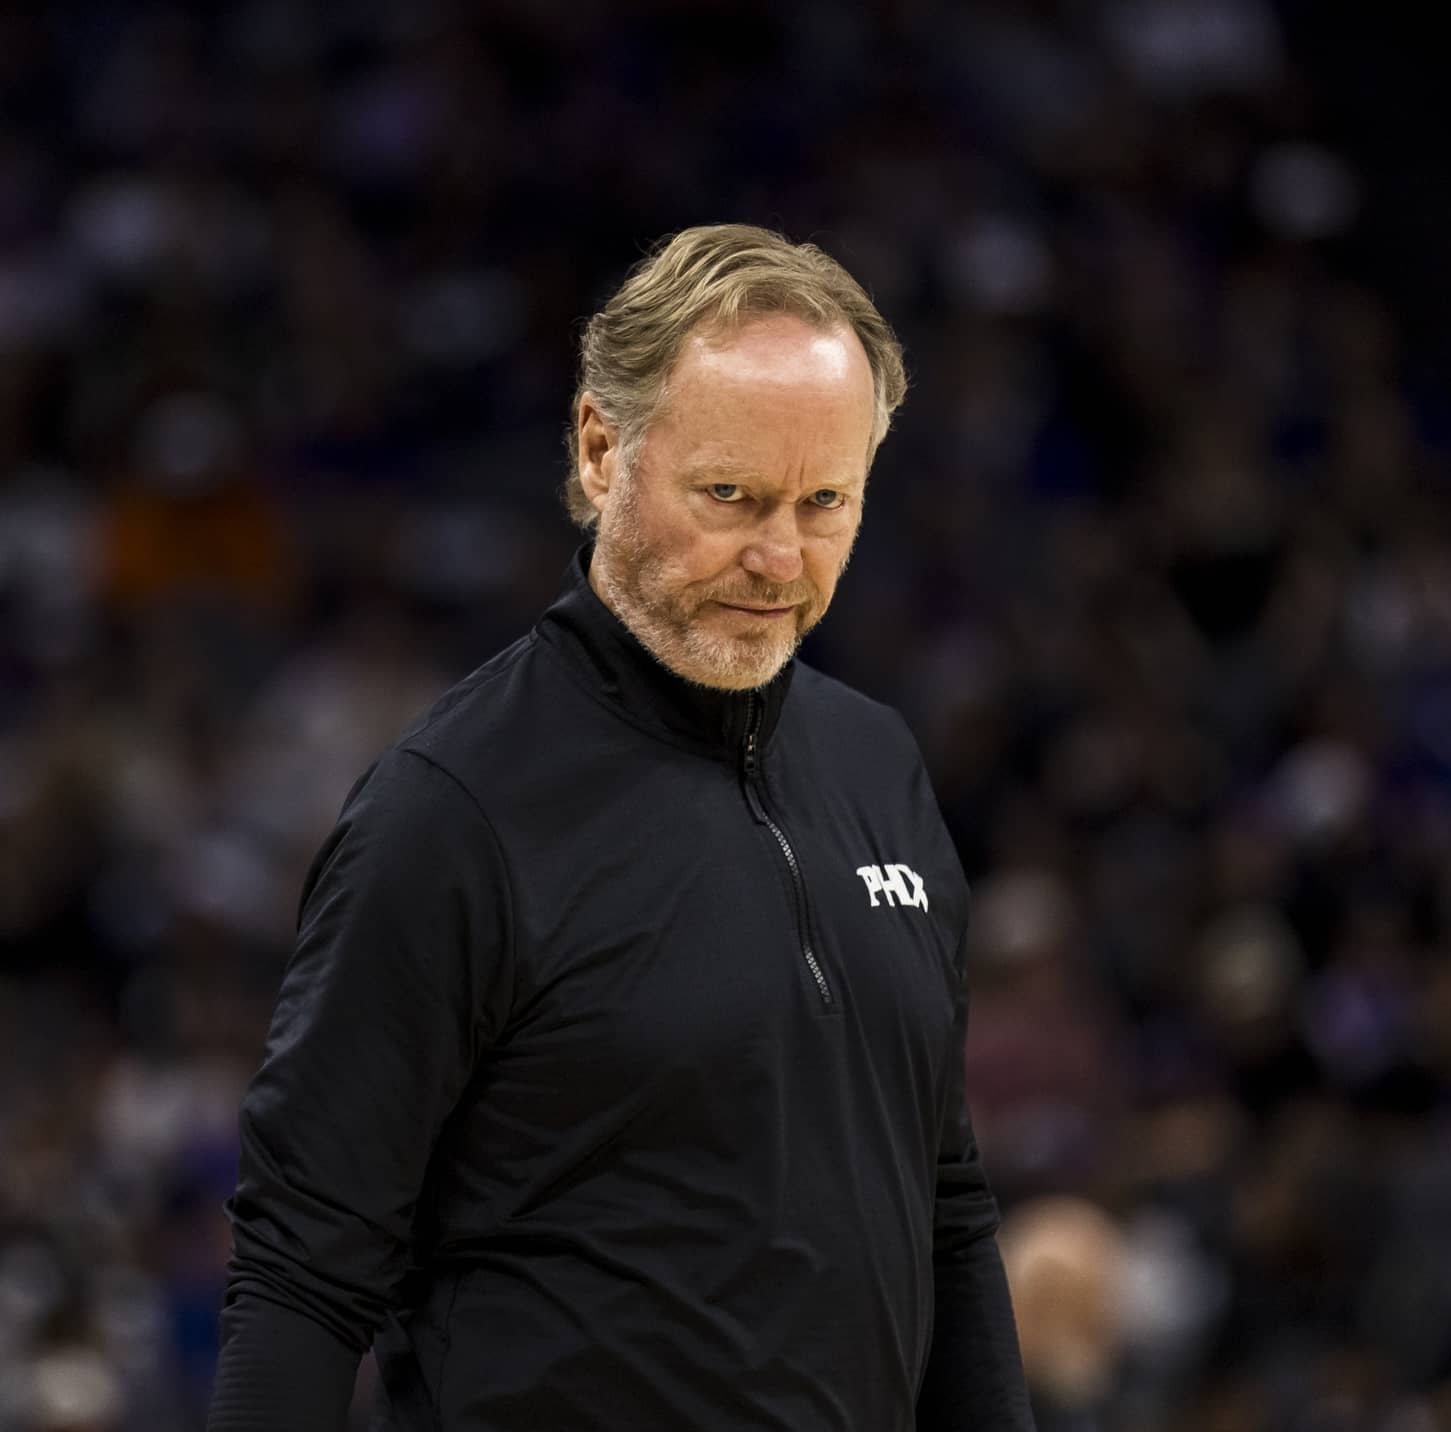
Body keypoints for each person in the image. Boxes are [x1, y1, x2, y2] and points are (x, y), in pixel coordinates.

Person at [210, 224, 1034, 1431]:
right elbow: (299, 1277)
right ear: (602, 451)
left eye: (825, 503)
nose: (777, 557)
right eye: (729, 496)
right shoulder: (450, 810)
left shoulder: (879, 767)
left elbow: (943, 1205)